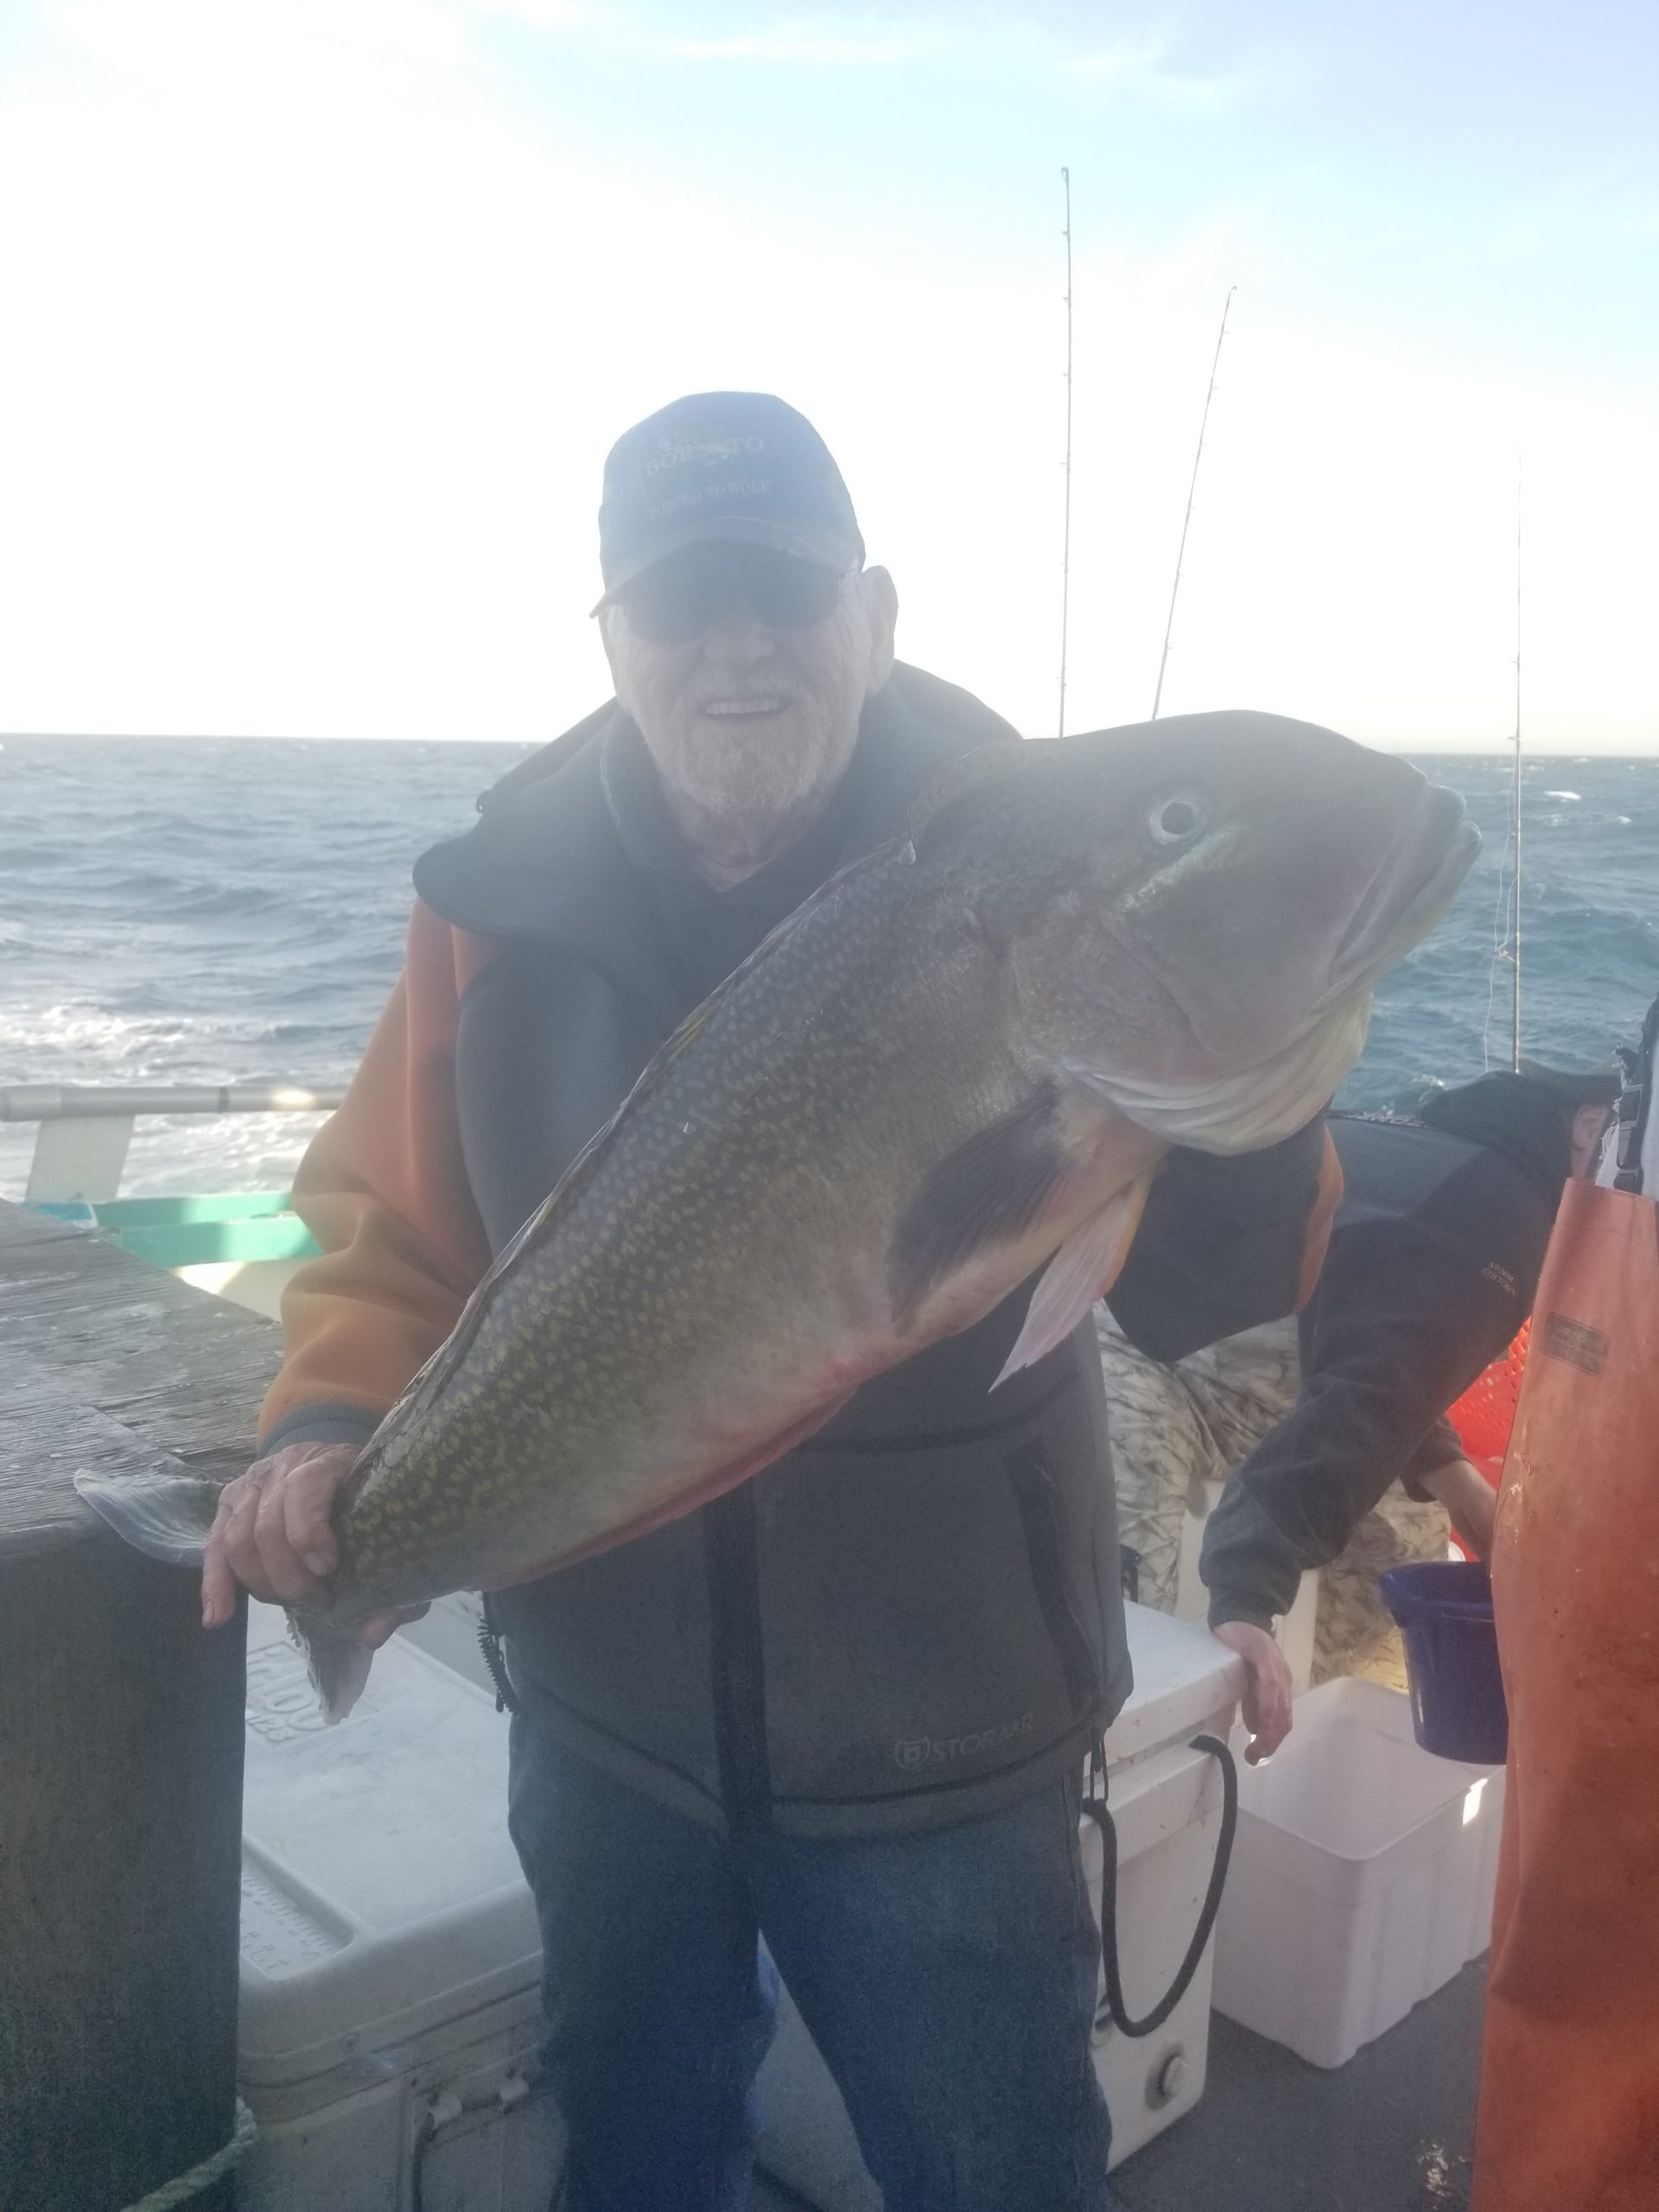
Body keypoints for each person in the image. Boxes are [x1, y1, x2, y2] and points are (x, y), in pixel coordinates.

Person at [199, 391, 1338, 2212]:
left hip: (943, 1737)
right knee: (638, 2155)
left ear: (873, 617)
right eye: (683, 601)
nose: (738, 645)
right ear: (614, 642)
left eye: (785, 596)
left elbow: (1212, 1295)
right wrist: (333, 1427)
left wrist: (1253, 1096)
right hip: (602, 1724)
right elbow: (385, 1222)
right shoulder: (501, 901)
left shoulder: (1040, 858)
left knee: (994, 2171)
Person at [1103, 1064, 1619, 1760]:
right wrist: (1245, 1593)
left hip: (1299, 1390)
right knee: (1140, 1645)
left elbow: (1380, 1324)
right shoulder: (1499, 1224)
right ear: (1589, 1131)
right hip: (1140, 1361)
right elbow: (1368, 1395)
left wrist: (1445, 1467)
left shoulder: (1457, 1162)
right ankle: (1146, 1781)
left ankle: (1330, 1767)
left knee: (1402, 1558)